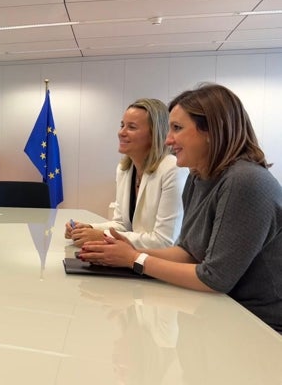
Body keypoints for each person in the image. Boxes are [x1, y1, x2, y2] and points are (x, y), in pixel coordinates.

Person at [78, 84, 282, 333]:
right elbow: (188, 252)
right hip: (220, 313)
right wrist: (124, 253)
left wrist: (134, 259)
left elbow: (214, 278)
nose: (168, 140)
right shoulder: (198, 177)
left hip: (261, 326)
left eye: (177, 128)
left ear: (211, 131)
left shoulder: (246, 181)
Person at [66, 98, 187, 248]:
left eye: (132, 127)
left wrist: (102, 236)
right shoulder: (124, 170)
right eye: (122, 125)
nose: (121, 132)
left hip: (158, 263)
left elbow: (165, 242)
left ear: (154, 133)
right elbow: (122, 224)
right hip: (132, 259)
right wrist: (88, 229)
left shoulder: (173, 169)